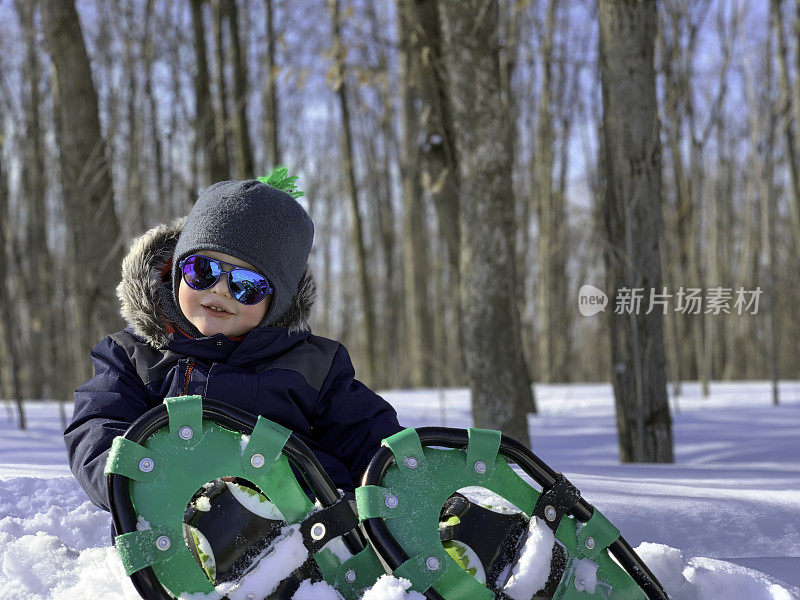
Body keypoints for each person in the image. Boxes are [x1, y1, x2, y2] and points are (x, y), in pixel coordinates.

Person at [64, 170, 403, 512]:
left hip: (305, 535)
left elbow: (369, 437)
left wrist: (410, 484)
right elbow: (97, 431)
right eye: (202, 270)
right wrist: (141, 485)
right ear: (178, 271)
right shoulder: (134, 358)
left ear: (277, 303)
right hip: (173, 531)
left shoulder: (313, 368)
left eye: (247, 284)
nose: (220, 289)